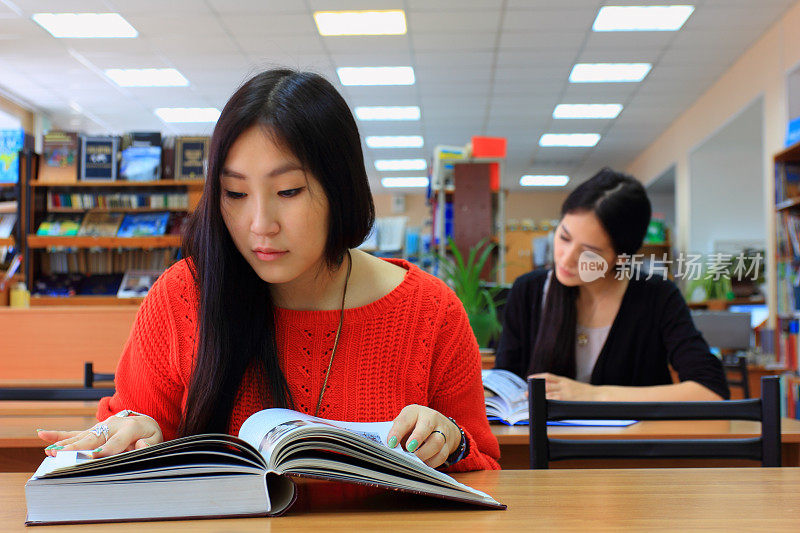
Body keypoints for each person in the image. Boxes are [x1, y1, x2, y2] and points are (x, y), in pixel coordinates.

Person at [38, 69, 500, 472]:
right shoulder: (182, 298)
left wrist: (452, 442)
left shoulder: (430, 312)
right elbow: (126, 431)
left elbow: (486, 462)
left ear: (340, 188)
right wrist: (131, 434)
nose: (260, 225)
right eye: (235, 194)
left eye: (289, 191)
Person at [495, 168, 730, 401]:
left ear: (621, 257)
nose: (566, 259)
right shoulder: (529, 291)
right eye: (564, 237)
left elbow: (710, 391)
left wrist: (594, 394)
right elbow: (505, 383)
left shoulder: (657, 296)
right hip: (542, 439)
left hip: (635, 439)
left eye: (589, 252)